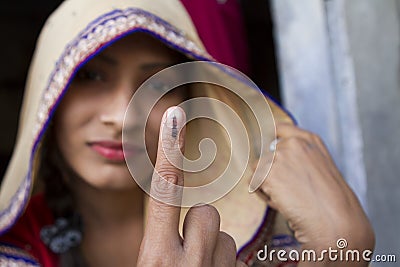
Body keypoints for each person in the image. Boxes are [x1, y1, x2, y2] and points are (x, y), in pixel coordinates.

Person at [0, 0, 374, 266]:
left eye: (155, 83)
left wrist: (340, 250)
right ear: (47, 95)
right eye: (91, 76)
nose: (121, 116)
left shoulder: (257, 241)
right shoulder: (14, 250)